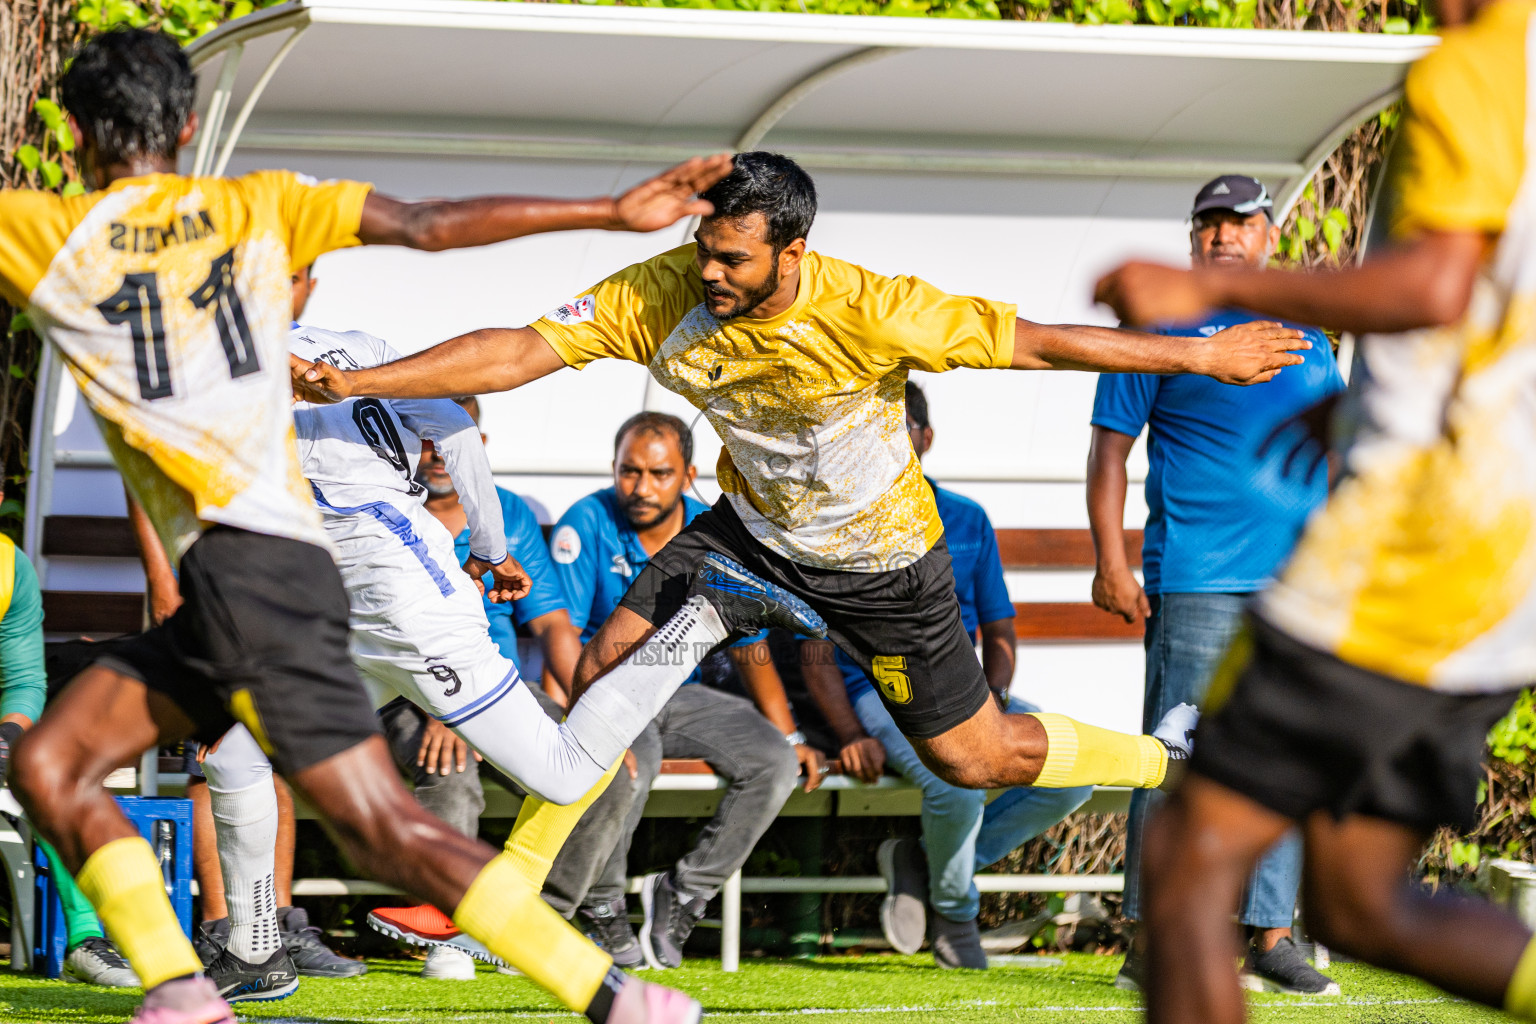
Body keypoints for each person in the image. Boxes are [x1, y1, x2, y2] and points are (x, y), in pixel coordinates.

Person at [1, 28, 737, 1024]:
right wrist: (608, 210)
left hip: (257, 580)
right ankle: (187, 988)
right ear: (183, 127)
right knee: (51, 761)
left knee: (382, 828)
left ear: (80, 133)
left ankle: (611, 994)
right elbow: (430, 223)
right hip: (256, 582)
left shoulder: (43, 232)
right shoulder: (255, 205)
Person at [294, 151, 1310, 808]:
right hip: (748, 535)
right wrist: (363, 380)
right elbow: (516, 354)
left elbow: (1041, 345)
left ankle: (1167, 752)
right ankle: (521, 902)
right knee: (607, 657)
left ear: (794, 250)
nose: (711, 275)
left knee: (977, 760)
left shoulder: (875, 308)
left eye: (733, 257)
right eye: (704, 252)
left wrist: (1202, 357)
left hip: (881, 566)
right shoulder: (662, 293)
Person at [1092, 0, 1536, 1016]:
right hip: (1505, 562)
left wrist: (1194, 288)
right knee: (1364, 897)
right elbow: (1491, 306)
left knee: (1191, 857)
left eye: (1240, 225)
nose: (1224, 237)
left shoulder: (1473, 68)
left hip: (1418, 543)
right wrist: (1374, 399)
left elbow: (1435, 282)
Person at [1087, 175, 1344, 997]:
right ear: (1193, 238)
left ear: (1272, 236)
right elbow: (1110, 455)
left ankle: (1270, 935)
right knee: (1178, 758)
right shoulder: (1157, 324)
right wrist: (1112, 560)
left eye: (1242, 221)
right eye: (1210, 223)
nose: (1225, 234)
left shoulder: (1310, 337)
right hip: (1197, 576)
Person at [801, 381, 1092, 970]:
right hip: (883, 692)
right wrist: (848, 733)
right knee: (955, 775)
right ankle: (955, 914)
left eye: (899, 429)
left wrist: (998, 698)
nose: (887, 444)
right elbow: (816, 649)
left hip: (969, 690)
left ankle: (922, 862)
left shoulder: (964, 518)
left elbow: (1000, 631)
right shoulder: (834, 524)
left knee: (1072, 772)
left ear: (925, 438)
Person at [542, 412, 813, 971]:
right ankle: (603, 904)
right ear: (613, 469)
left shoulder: (713, 530)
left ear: (688, 474)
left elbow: (750, 646)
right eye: (629, 472)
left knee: (773, 762)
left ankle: (685, 893)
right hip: (609, 695)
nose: (641, 488)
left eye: (658, 474)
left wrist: (790, 735)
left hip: (683, 696)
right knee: (628, 760)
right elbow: (562, 633)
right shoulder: (586, 522)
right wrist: (578, 726)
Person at [377, 393, 582, 982]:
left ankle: (533, 922)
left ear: (477, 448)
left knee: (599, 766)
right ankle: (447, 929)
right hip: (406, 688)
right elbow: (384, 634)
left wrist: (586, 712)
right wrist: (447, 710)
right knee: (450, 769)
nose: (439, 453)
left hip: (495, 683)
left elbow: (550, 623)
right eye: (425, 437)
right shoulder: (385, 508)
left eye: (453, 439)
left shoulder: (507, 514)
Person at [0, 517, 138, 987]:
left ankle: (85, 939)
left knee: (51, 770)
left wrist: (10, 739)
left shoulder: (9, 567)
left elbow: (23, 683)